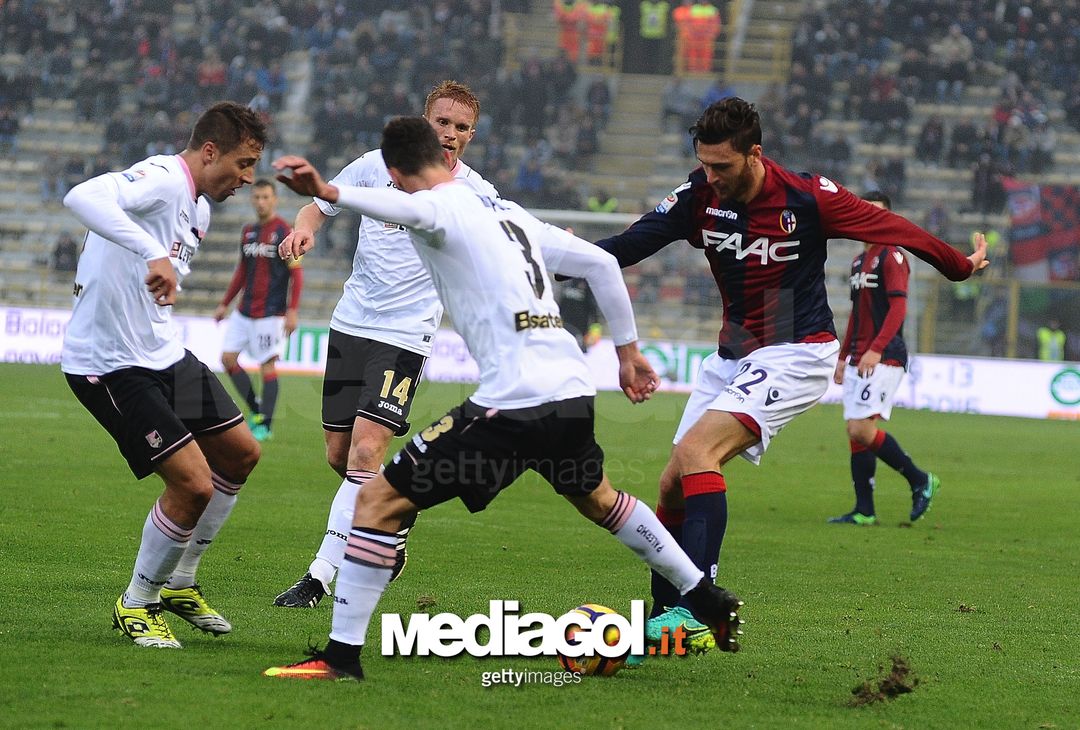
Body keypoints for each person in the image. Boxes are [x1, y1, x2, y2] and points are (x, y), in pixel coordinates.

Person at [264, 117, 744, 681]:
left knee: (376, 502)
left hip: (513, 403)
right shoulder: (508, 212)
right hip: (569, 389)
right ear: (446, 161)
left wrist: (326, 192)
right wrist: (627, 353)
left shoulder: (440, 206)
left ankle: (340, 658)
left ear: (394, 173)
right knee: (602, 501)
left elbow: (411, 210)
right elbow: (602, 263)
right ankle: (705, 596)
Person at [591, 97, 988, 655]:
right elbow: (628, 245)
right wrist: (549, 258)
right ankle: (667, 621)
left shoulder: (807, 197)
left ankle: (697, 610)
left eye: (722, 166)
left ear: (755, 154)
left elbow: (892, 226)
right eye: (704, 163)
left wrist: (956, 263)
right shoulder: (700, 195)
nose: (711, 176)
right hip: (733, 355)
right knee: (672, 482)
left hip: (797, 349)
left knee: (699, 452)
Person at [272, 81, 499, 610]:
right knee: (341, 455)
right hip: (352, 323)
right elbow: (319, 205)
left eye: (461, 127)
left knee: (367, 448)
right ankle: (397, 507)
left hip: (406, 335)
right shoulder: (377, 164)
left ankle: (320, 575)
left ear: (471, 135)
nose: (451, 134)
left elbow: (504, 240)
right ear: (425, 121)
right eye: (442, 122)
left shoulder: (473, 192)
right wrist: (304, 230)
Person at [61, 101, 266, 649]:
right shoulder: (160, 177)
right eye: (243, 164)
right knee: (193, 483)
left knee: (242, 453)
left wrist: (155, 266)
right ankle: (136, 602)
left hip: (160, 352)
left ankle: (180, 582)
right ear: (209, 151)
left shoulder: (198, 210)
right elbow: (81, 197)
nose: (247, 179)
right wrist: (152, 252)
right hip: (108, 363)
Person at [829, 191, 939, 526]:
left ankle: (920, 479)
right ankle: (864, 510)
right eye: (865, 213)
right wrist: (844, 355)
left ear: (887, 218)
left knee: (861, 429)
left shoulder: (893, 256)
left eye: (877, 214)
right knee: (856, 431)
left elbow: (899, 307)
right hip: (860, 356)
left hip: (884, 355)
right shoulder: (858, 261)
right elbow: (855, 314)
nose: (870, 220)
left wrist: (876, 348)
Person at [213, 179, 303, 442]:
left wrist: (293, 310)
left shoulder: (286, 232)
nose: (261, 202)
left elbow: (297, 275)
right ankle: (256, 411)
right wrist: (224, 303)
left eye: (265, 197)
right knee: (228, 359)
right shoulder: (248, 231)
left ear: (274, 199)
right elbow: (242, 271)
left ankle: (266, 424)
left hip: (271, 312)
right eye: (257, 197)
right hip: (244, 310)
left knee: (267, 366)